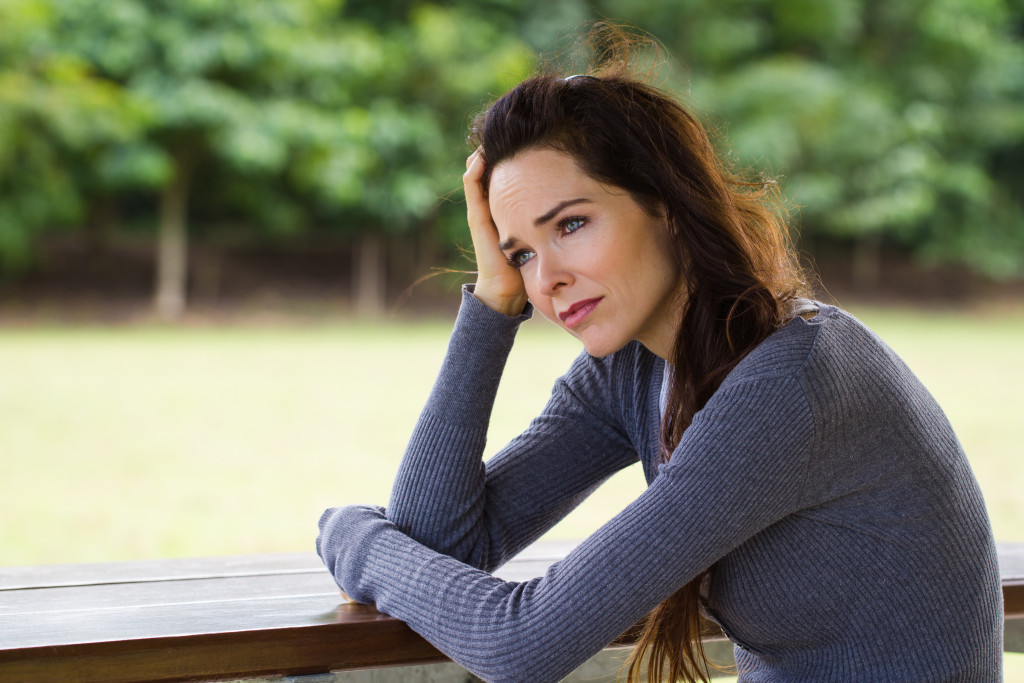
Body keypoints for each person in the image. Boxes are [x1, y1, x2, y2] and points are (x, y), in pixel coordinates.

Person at [316, 31, 1003, 683]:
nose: (545, 277)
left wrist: (352, 535)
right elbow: (441, 540)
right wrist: (494, 304)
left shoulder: (795, 381)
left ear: (666, 204)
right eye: (520, 251)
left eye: (571, 224)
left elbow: (522, 644)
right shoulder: (632, 369)